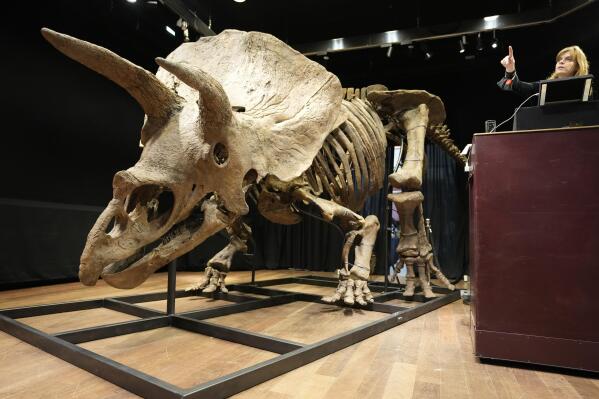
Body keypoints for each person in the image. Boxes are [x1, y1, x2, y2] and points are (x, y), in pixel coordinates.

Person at [497, 45, 590, 97]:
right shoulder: (543, 87)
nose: (561, 62)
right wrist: (510, 69)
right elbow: (518, 86)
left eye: (568, 59)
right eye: (559, 59)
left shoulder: (586, 90)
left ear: (578, 66)